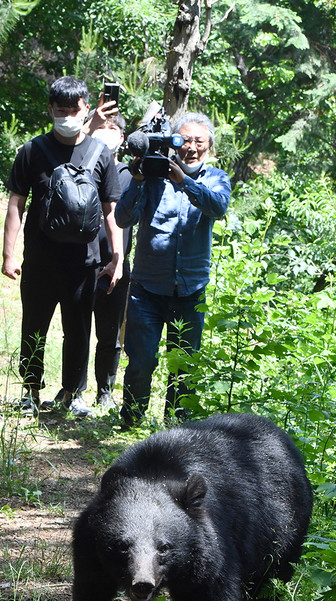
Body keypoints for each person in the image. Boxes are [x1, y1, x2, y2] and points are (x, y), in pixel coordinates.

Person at [1, 76, 123, 418]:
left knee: (79, 329)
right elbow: (16, 204)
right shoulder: (32, 151)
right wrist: (8, 254)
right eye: (61, 109)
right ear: (50, 109)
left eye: (74, 109)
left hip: (85, 262)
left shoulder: (101, 153)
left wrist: (118, 257)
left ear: (87, 109)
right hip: (39, 259)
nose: (68, 115)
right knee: (34, 326)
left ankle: (73, 394)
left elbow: (112, 210)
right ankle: (29, 391)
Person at [115, 110, 231, 428]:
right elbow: (122, 218)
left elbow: (217, 207)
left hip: (190, 290)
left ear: (209, 146)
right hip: (147, 288)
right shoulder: (152, 179)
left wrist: (185, 182)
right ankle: (131, 421)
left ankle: (178, 429)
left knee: (184, 367)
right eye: (185, 140)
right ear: (174, 143)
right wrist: (137, 180)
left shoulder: (216, 178)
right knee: (141, 360)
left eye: (199, 141)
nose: (191, 148)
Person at [87, 109, 133, 409]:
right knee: (75, 331)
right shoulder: (84, 165)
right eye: (101, 125)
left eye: (113, 127)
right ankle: (71, 389)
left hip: (116, 265)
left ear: (122, 137)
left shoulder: (132, 174)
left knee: (110, 334)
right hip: (80, 260)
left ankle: (105, 390)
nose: (107, 130)